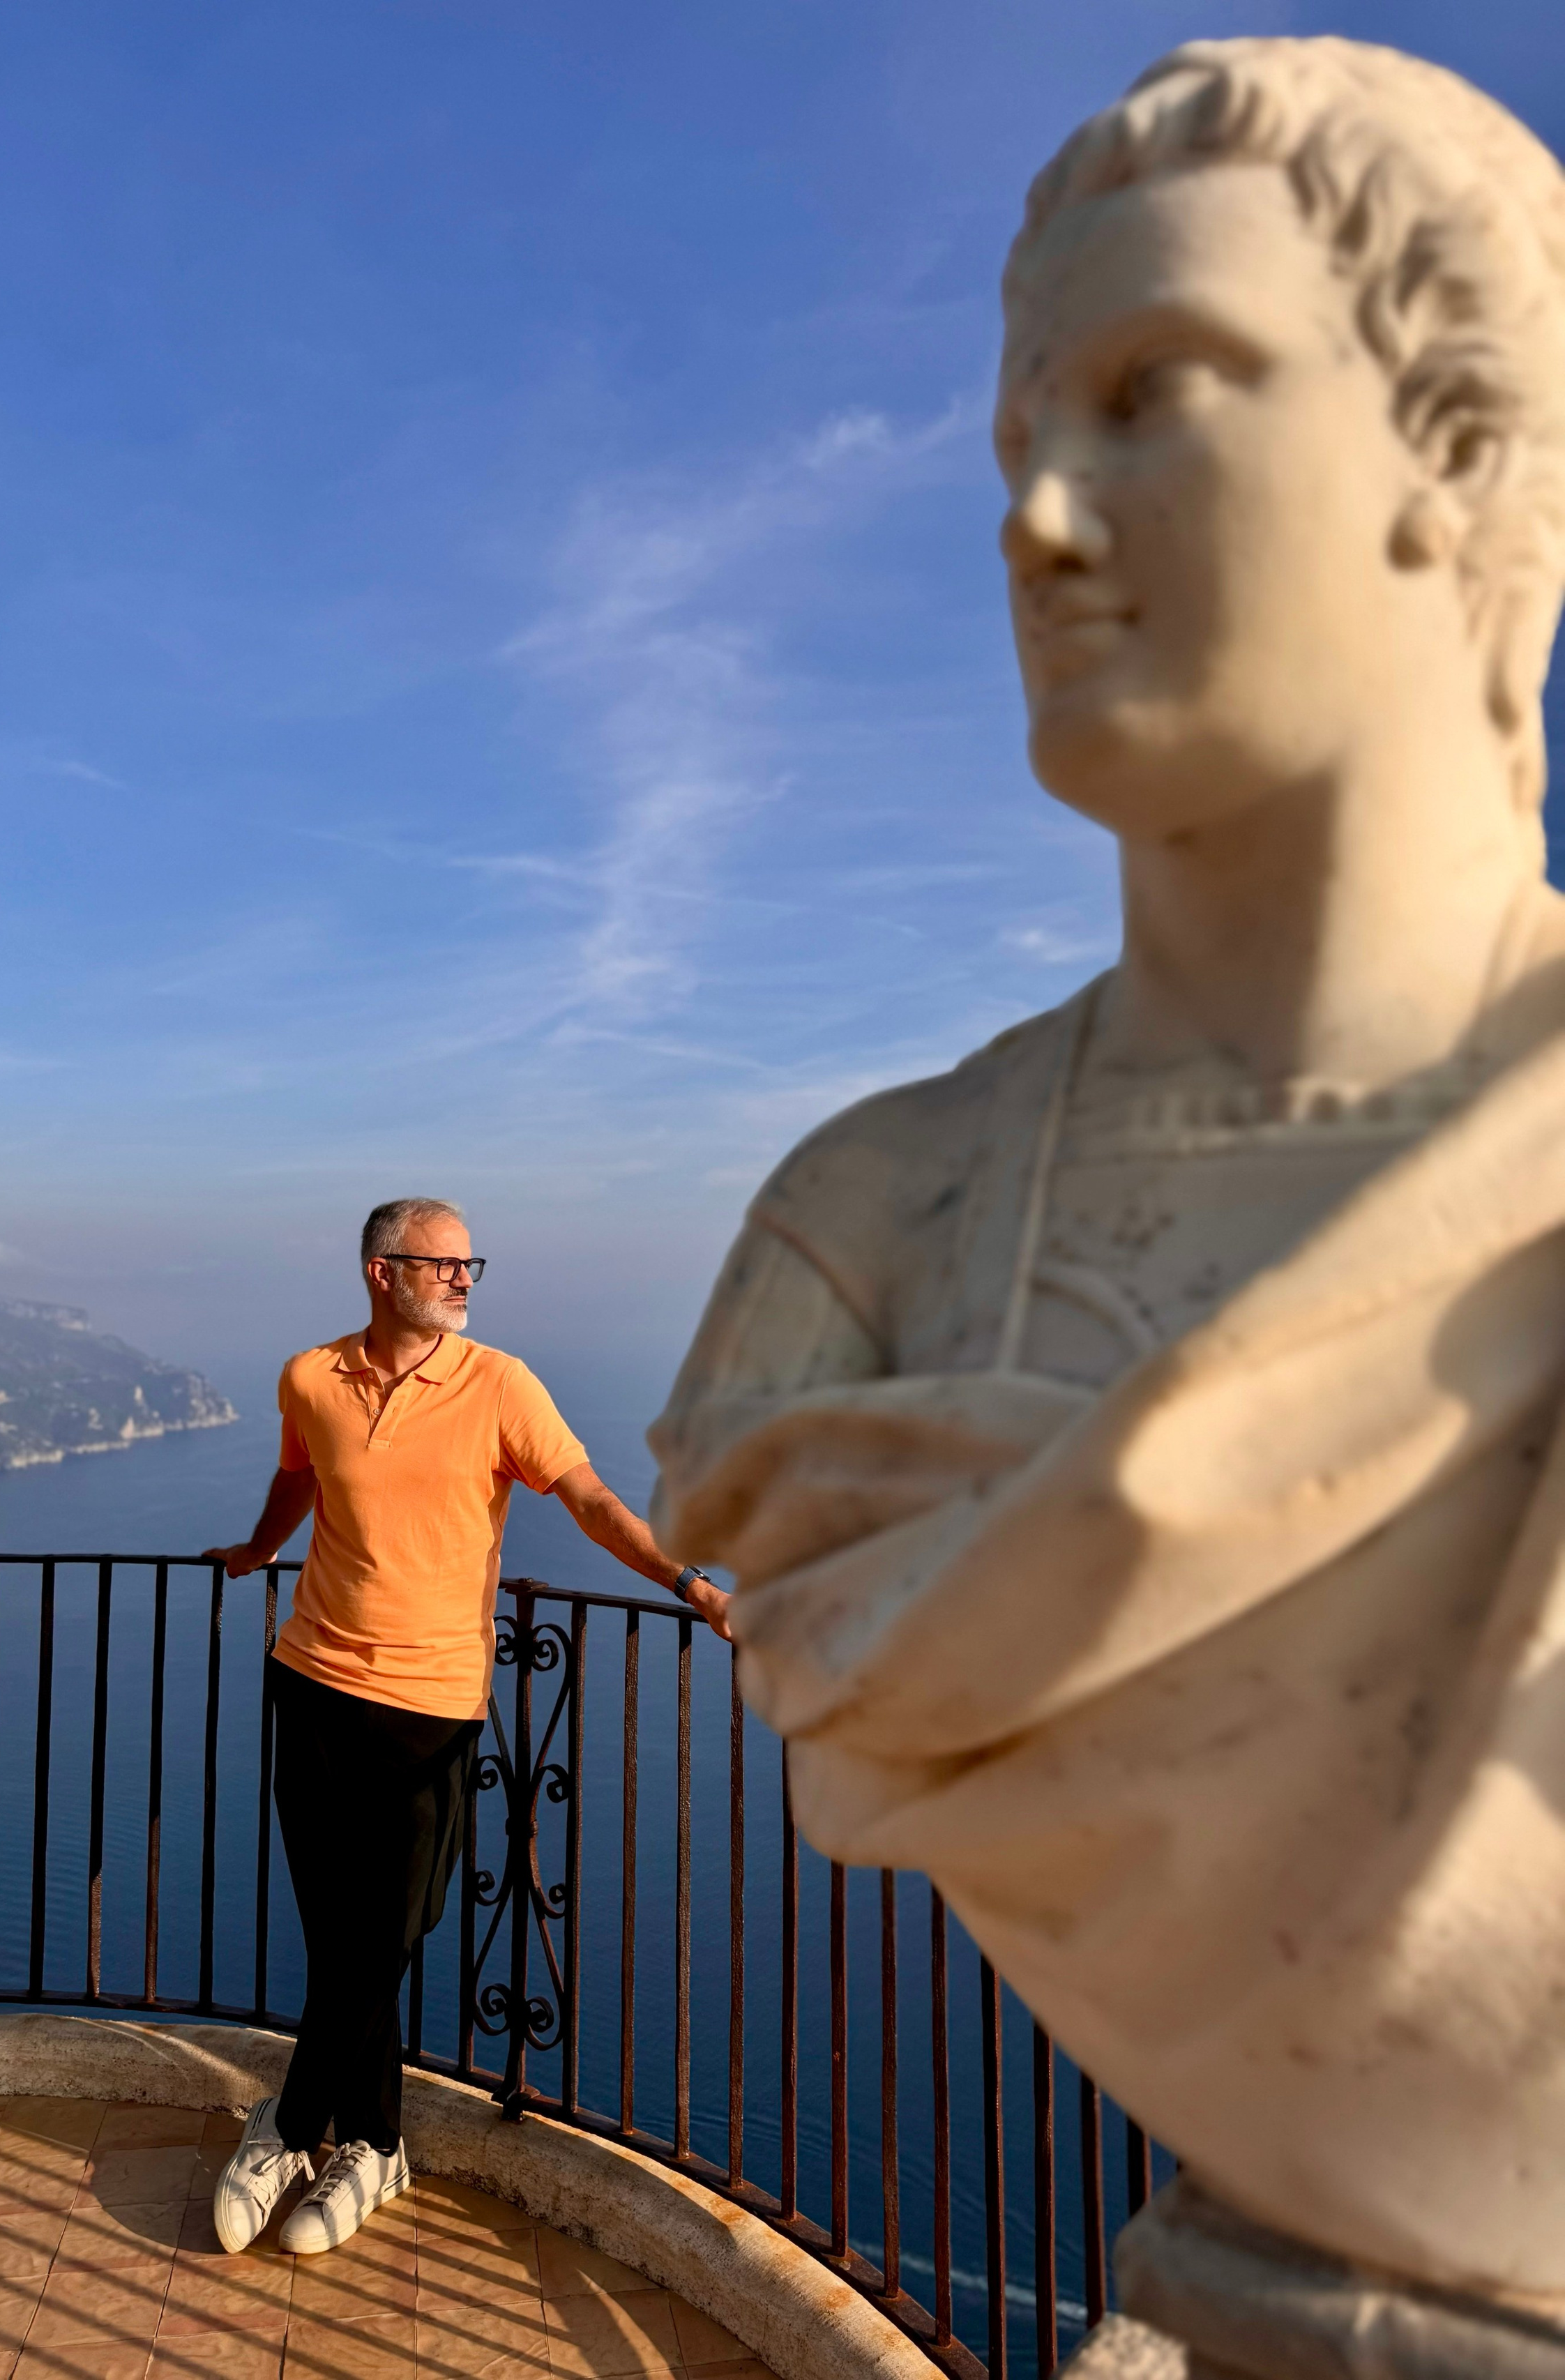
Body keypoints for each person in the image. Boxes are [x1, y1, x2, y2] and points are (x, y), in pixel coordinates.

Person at [649, 39, 1565, 2303]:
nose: (1034, 518)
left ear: (1454, 453)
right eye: (1019, 436)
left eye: (1156, 390)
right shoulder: (874, 1223)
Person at [204, 1196, 730, 2258]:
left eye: (470, 1263)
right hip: (310, 1685)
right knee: (341, 1937)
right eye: (443, 1262)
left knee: (389, 1932)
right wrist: (261, 1548)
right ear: (379, 1271)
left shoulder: (499, 1383)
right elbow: (297, 1475)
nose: (465, 1279)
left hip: (432, 1706)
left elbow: (586, 1498)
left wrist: (690, 1583)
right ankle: (378, 2146)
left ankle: (292, 2123)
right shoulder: (311, 1376)